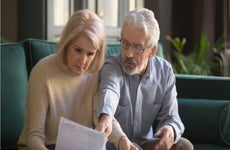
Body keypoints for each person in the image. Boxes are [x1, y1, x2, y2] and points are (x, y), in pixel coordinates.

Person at [17, 9, 127, 150]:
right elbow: (34, 136)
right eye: (78, 50)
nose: (83, 61)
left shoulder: (95, 74)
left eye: (90, 53)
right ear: (67, 44)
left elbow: (104, 118)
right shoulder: (42, 71)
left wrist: (122, 139)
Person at [95, 8, 194, 150]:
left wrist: (170, 129)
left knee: (184, 146)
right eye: (126, 44)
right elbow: (109, 91)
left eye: (137, 47)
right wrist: (106, 116)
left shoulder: (164, 71)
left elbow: (171, 116)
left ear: (152, 51)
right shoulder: (112, 66)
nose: (129, 53)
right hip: (116, 145)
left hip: (147, 145)